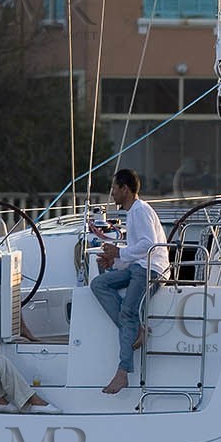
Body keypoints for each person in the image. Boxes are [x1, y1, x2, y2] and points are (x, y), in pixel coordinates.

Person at [88, 169, 169, 394]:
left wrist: (119, 253)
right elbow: (137, 251)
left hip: (151, 269)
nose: (112, 193)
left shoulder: (140, 210)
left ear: (125, 189)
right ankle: (136, 330)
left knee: (127, 312)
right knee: (99, 284)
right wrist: (114, 261)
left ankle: (123, 372)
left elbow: (148, 244)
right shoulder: (134, 212)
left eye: (114, 188)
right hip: (138, 267)